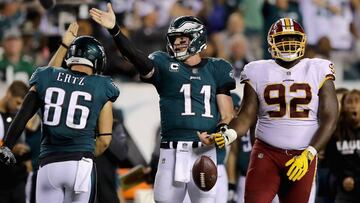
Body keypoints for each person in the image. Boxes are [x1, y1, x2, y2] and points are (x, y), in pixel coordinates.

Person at [89, 3, 237, 203]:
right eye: (175, 40)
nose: (177, 44)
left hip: (204, 153)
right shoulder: (165, 64)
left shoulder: (217, 68)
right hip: (171, 152)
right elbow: (136, 57)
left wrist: (221, 134)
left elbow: (227, 114)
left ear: (197, 39)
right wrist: (115, 31)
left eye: (183, 39)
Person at [200, 17, 338, 203]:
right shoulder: (257, 70)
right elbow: (247, 115)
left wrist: (310, 153)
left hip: (303, 155)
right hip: (267, 153)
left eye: (293, 38)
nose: (288, 43)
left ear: (302, 40)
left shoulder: (317, 68)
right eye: (282, 39)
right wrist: (229, 134)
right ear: (272, 42)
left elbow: (330, 117)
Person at [0, 33, 120, 203]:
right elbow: (105, 141)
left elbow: (24, 114)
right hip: (80, 163)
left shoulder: (46, 76)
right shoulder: (102, 86)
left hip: (49, 165)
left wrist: (7, 145)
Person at [325, 89, 360, 203]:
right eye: (349, 102)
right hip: (343, 186)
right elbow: (331, 162)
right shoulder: (336, 133)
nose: (353, 106)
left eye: (357, 101)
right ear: (343, 107)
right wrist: (343, 179)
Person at [0, 80, 30, 203]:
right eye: (17, 103)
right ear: (8, 94)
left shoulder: (17, 117)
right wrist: (11, 148)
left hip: (18, 181)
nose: (18, 107)